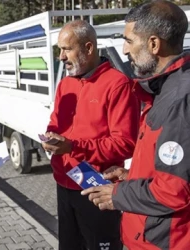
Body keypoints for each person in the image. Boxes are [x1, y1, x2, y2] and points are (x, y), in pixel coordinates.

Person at [81, 1, 190, 249]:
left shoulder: (179, 100)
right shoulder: (165, 89)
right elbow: (173, 170)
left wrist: (117, 194)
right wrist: (132, 176)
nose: (125, 50)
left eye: (129, 41)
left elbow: (175, 190)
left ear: (153, 44)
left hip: (164, 241)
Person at [41, 20, 141, 250]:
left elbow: (126, 143)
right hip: (64, 183)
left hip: (97, 188)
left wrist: (74, 146)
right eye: (59, 49)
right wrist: (51, 140)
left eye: (67, 49)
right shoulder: (65, 84)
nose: (61, 56)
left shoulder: (118, 84)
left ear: (89, 47)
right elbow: (55, 124)